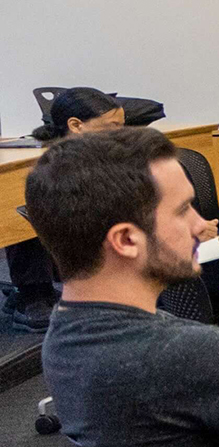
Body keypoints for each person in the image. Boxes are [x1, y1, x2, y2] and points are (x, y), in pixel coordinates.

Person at [27, 128, 219, 447]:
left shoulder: (65, 338)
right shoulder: (197, 355)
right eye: (184, 209)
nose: (202, 224)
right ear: (126, 240)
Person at [4, 88, 127, 332]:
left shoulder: (98, 156)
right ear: (76, 125)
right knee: (22, 203)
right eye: (112, 126)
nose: (120, 134)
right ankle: (32, 292)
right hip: (70, 253)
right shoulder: (45, 166)